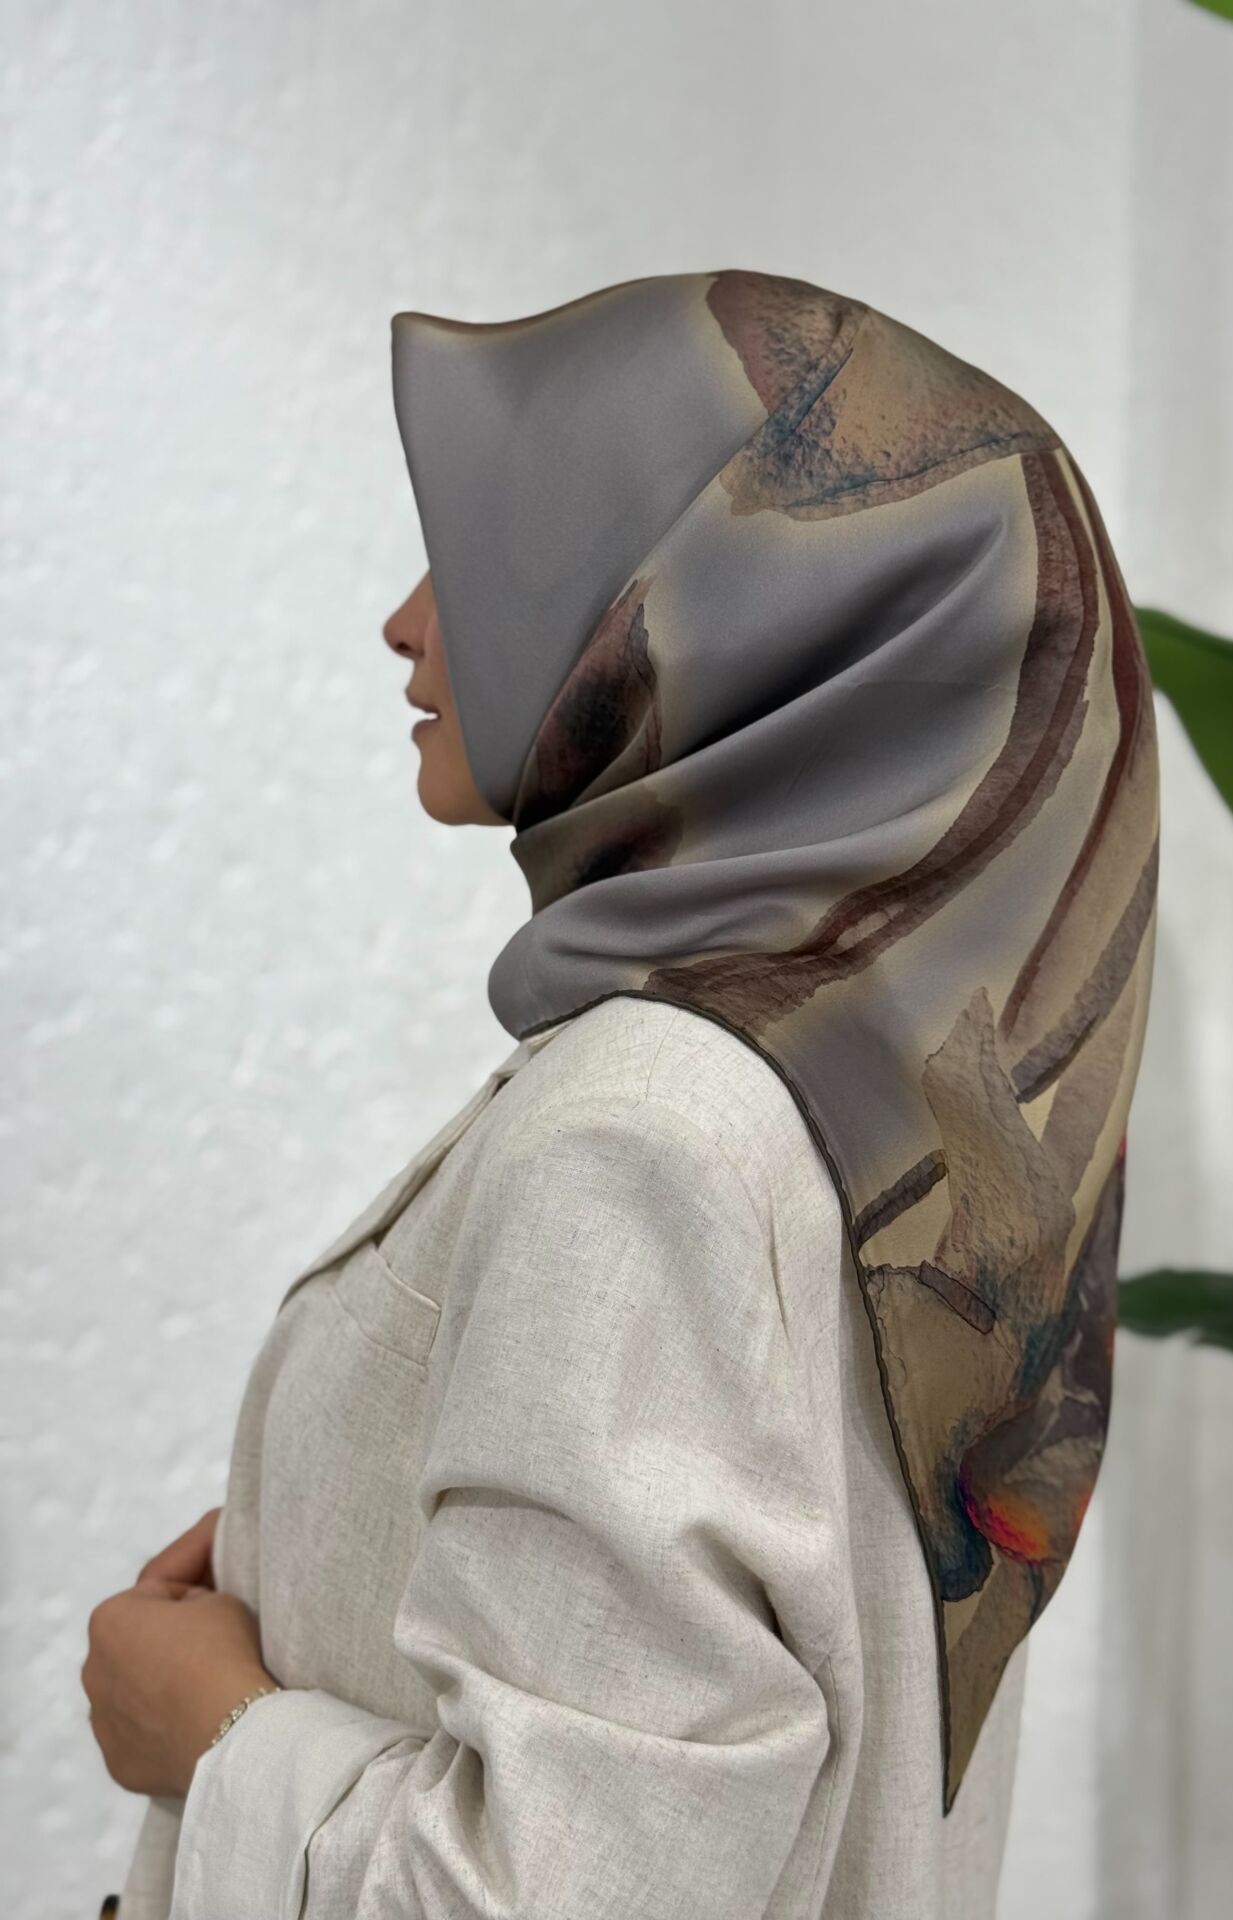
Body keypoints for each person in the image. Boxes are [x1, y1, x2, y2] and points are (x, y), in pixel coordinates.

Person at [86, 267, 1160, 1919]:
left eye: (487, 552)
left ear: (718, 614)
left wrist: (209, 1732)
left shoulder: (649, 1135)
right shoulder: (882, 1115)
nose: (407, 620)